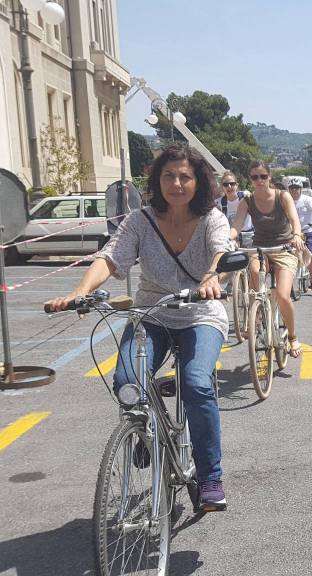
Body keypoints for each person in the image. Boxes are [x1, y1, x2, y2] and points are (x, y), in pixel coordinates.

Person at [44, 145, 232, 511]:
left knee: (195, 383)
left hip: (200, 314)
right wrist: (80, 292)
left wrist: (210, 279)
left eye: (185, 177)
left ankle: (210, 478)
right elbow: (111, 258)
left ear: (198, 182)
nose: (176, 183)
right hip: (152, 313)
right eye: (168, 176)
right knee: (127, 381)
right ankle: (148, 434)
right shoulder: (139, 221)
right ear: (156, 180)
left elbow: (221, 253)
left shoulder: (212, 219)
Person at [230, 161, 306, 358]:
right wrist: (228, 238)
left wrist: (297, 235)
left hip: (284, 248)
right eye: (255, 177)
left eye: (263, 176)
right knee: (254, 275)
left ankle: (293, 337)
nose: (259, 180)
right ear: (250, 180)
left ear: (270, 177)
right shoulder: (247, 201)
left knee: (282, 295)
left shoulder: (283, 196)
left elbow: (294, 220)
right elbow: (236, 226)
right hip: (259, 248)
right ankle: (260, 312)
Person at [288, 182, 312, 292]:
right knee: (291, 255)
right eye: (292, 188)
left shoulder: (307, 200)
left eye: (296, 188)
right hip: (293, 233)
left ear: (301, 189)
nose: (294, 190)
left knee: (310, 256)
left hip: (308, 232)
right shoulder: (287, 200)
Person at [219, 171, 253, 247]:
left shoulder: (245, 197)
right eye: (225, 184)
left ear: (237, 185)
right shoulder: (219, 203)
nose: (229, 186)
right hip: (231, 238)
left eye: (232, 184)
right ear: (222, 187)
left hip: (248, 236)